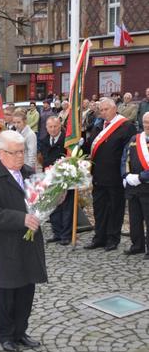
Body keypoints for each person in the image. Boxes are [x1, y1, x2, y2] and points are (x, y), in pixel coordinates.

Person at [0, 130, 47, 352]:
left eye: (22, 152)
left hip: (30, 241)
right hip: (7, 243)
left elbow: (40, 201)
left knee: (27, 288)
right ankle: (6, 334)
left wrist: (53, 197)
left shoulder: (28, 172)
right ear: (0, 153)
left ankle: (20, 331)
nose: (19, 157)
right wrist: (21, 219)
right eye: (14, 153)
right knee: (8, 290)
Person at [84, 98, 136, 251]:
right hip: (98, 176)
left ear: (114, 109)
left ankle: (113, 238)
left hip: (115, 176)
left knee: (115, 208)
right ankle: (99, 237)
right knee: (99, 208)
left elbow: (128, 154)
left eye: (106, 109)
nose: (103, 112)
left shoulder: (126, 126)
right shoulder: (98, 125)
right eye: (101, 110)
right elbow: (91, 146)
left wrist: (126, 174)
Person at [41, 116, 73, 245]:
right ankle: (57, 232)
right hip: (50, 178)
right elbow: (42, 158)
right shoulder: (43, 140)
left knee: (66, 207)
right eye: (50, 127)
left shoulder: (68, 140)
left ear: (60, 126)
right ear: (46, 128)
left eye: (55, 126)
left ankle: (66, 235)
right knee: (53, 206)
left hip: (64, 177)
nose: (53, 129)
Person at [121, 111, 149, 258]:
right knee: (135, 218)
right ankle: (137, 245)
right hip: (133, 186)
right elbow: (125, 158)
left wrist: (141, 177)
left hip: (146, 185)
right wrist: (126, 175)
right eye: (145, 122)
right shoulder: (135, 138)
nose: (147, 125)